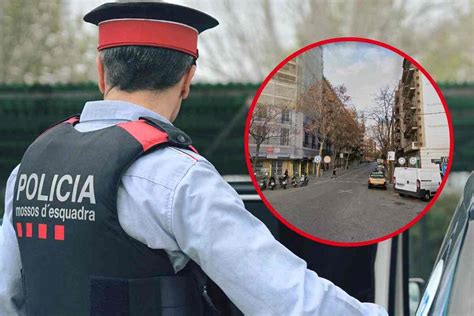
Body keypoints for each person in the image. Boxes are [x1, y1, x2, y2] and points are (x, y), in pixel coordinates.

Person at [0, 2, 387, 315]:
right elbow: (286, 299)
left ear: (102, 73)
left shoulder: (29, 168)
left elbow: (7, 296)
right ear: (187, 80)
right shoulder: (176, 178)